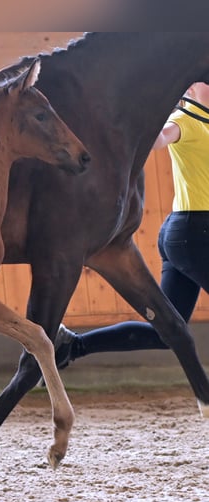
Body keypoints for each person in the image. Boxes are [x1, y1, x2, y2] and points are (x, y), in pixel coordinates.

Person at [54, 82, 209, 368]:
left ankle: (72, 346)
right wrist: (152, 110)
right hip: (193, 232)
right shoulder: (184, 120)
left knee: (166, 332)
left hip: (188, 234)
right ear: (189, 91)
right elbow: (160, 139)